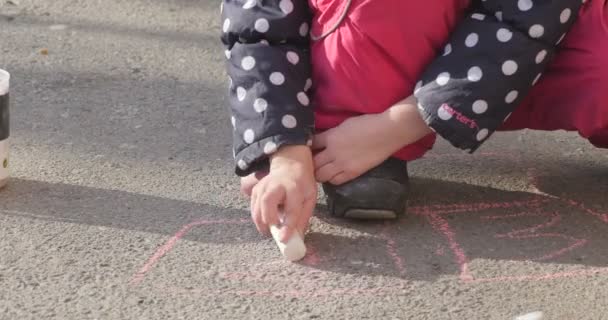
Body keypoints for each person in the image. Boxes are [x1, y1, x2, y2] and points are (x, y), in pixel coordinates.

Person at [220, 0, 608, 241]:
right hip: (385, 41)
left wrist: (404, 123)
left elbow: (532, 16)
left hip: (539, 34)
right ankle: (353, 128)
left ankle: (381, 131)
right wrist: (285, 148)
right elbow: (260, 23)